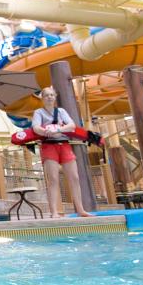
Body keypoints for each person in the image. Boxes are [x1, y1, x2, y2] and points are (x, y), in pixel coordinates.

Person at [31, 86, 94, 218]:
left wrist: (58, 130)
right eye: (46, 95)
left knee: (74, 177)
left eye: (51, 95)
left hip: (64, 144)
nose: (49, 97)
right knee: (53, 179)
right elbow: (36, 127)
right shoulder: (38, 112)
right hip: (49, 146)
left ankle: (80, 209)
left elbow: (71, 125)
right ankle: (54, 211)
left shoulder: (60, 111)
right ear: (42, 98)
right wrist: (45, 132)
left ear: (55, 97)